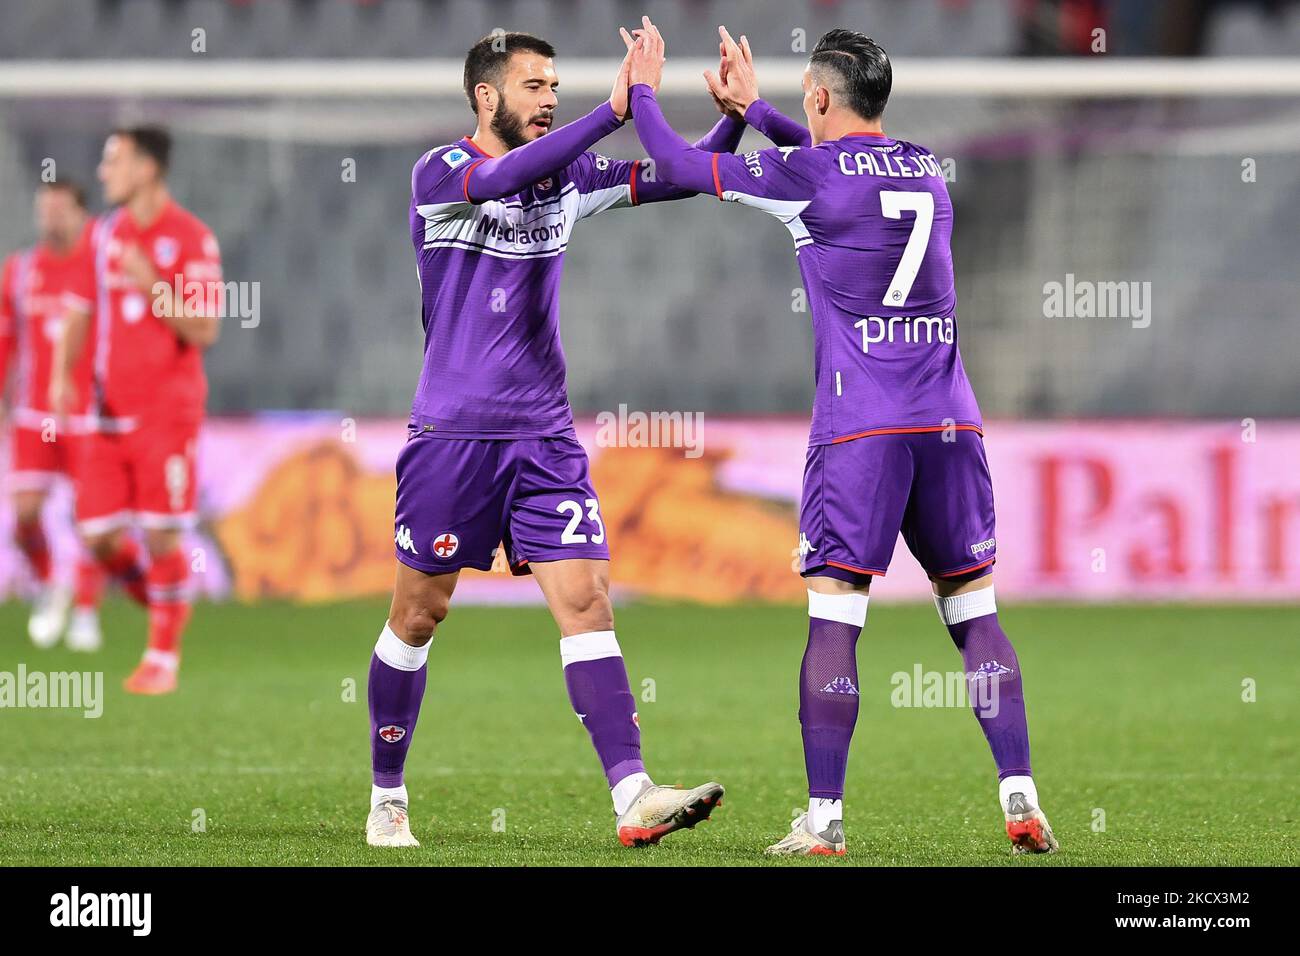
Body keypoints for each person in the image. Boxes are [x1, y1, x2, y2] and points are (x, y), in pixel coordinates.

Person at [626, 20, 1058, 856]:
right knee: (973, 612)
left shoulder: (809, 179)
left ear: (820, 95)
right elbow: (830, 165)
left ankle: (823, 821)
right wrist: (756, 112)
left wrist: (645, 88)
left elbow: (680, 165)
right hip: (950, 421)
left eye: (803, 99)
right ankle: (1019, 792)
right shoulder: (927, 169)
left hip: (861, 427)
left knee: (835, 619)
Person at [366, 27, 745, 849]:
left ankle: (633, 793)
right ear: (485, 96)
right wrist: (614, 109)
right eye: (534, 86)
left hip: (544, 438)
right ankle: (387, 793)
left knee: (586, 599)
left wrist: (732, 121)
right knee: (420, 614)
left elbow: (678, 178)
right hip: (454, 436)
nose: (548, 99)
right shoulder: (441, 173)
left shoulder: (566, 175)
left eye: (556, 86)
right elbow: (503, 175)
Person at [57, 125, 223, 695]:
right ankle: (163, 601)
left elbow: (203, 328)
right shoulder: (101, 235)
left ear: (147, 168)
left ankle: (162, 657)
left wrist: (151, 283)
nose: (103, 172)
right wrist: (61, 374)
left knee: (160, 539)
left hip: (165, 415)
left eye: (114, 161)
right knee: (97, 535)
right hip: (107, 416)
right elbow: (79, 310)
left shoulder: (192, 239)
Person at [0, 181, 104, 650]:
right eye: (45, 209)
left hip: (88, 413)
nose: (52, 218)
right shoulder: (20, 271)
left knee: (92, 519)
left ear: (81, 213)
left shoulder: (101, 268)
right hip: (32, 412)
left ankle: (85, 610)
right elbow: (6, 340)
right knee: (24, 514)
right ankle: (48, 588)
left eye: (61, 209)